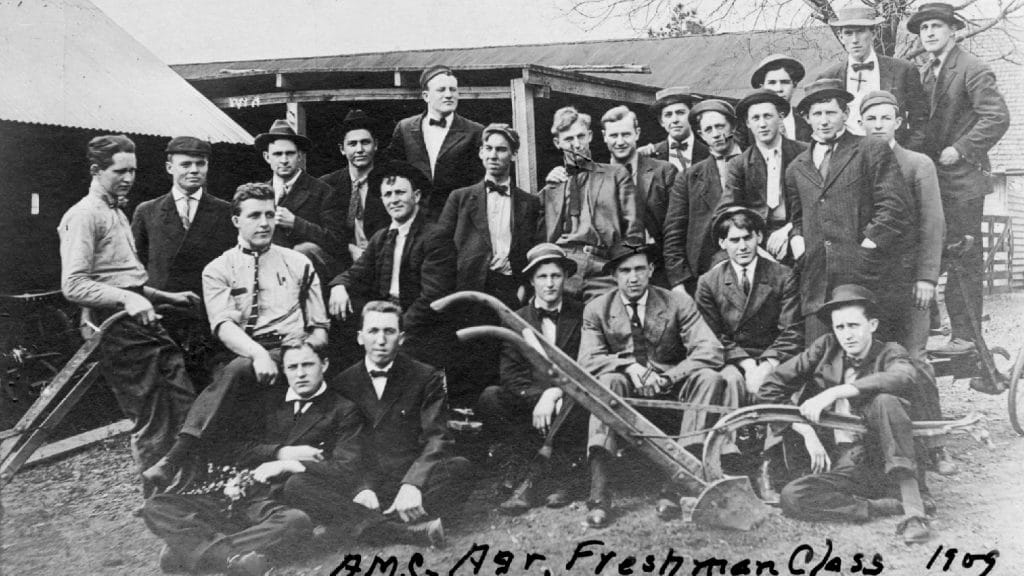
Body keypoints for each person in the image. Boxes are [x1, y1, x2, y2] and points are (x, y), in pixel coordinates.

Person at [143, 182, 330, 488]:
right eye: (255, 215)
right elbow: (223, 325)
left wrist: (305, 350)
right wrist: (257, 354)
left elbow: (320, 326)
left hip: (293, 347)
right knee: (236, 369)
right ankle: (202, 480)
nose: (265, 223)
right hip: (241, 351)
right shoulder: (218, 269)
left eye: (270, 215)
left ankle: (176, 457)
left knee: (238, 371)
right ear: (236, 221)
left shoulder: (299, 263)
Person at [142, 337, 363, 575]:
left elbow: (347, 469)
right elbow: (233, 448)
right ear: (284, 370)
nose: (300, 374)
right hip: (232, 495)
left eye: (307, 365)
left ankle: (192, 551)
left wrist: (291, 465)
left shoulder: (342, 409)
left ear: (325, 364)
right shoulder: (268, 401)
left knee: (296, 522)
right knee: (157, 505)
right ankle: (229, 558)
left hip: (272, 504)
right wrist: (279, 452)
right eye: (292, 367)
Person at [58, 135, 197, 495]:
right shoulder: (84, 216)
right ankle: (158, 501)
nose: (129, 178)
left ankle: (187, 490)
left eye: (133, 171)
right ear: (96, 170)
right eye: (120, 171)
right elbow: (74, 285)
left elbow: (125, 279)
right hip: (117, 329)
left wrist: (164, 295)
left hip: (141, 319)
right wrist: (127, 300)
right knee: (152, 415)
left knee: (183, 401)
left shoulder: (116, 211)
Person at [284, 301, 472, 547]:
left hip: (410, 478)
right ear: (360, 337)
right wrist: (361, 489)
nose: (381, 340)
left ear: (401, 337)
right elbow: (341, 451)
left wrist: (413, 484)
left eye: (389, 331)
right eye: (373, 331)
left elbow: (437, 437)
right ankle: (399, 529)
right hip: (363, 487)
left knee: (460, 468)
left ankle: (358, 525)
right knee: (297, 485)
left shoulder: (425, 376)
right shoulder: (343, 383)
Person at [759, 284, 934, 545]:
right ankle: (880, 506)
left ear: (872, 325)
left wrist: (839, 391)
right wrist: (804, 429)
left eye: (854, 325)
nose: (847, 335)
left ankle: (914, 511)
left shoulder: (890, 352)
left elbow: (904, 375)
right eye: (840, 327)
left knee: (885, 400)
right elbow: (771, 387)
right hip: (839, 461)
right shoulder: (826, 348)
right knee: (792, 497)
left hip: (882, 459)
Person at [579, 241, 733, 527]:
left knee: (710, 377)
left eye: (640, 269)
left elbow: (710, 350)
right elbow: (587, 361)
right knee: (608, 380)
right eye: (625, 271)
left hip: (669, 391)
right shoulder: (597, 309)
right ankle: (599, 494)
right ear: (614, 275)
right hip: (625, 393)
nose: (633, 277)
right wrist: (628, 365)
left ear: (651, 270)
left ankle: (674, 487)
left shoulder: (677, 302)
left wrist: (668, 377)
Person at [907, 2, 1010, 356]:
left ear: (954, 30)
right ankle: (936, 328)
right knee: (933, 251)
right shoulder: (923, 73)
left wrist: (962, 148)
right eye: (924, 29)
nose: (930, 33)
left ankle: (966, 339)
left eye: (937, 26)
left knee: (963, 257)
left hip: (963, 181)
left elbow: (997, 117)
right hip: (933, 180)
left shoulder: (972, 68)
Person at [785, 78, 911, 343]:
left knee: (869, 356)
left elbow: (894, 205)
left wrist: (867, 247)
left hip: (863, 275)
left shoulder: (870, 149)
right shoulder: (796, 167)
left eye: (831, 112)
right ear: (807, 118)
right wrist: (798, 242)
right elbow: (797, 217)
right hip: (817, 280)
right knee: (821, 361)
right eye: (817, 114)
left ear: (845, 114)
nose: (824, 120)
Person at [476, 244, 587, 514]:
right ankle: (527, 465)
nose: (550, 284)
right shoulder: (516, 320)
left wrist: (555, 394)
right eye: (542, 277)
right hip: (530, 404)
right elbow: (511, 376)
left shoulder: (582, 314)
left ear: (565, 277)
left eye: (556, 276)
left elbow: (585, 366)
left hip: (569, 398)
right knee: (491, 397)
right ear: (531, 280)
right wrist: (540, 398)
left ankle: (544, 479)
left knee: (580, 399)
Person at [328, 162, 456, 369]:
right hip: (386, 319)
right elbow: (357, 272)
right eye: (387, 194)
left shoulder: (434, 236)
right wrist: (338, 286)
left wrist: (395, 328)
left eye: (400, 193)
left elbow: (432, 297)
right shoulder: (381, 237)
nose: (393, 200)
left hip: (421, 325)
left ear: (416, 196)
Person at [132, 136, 236, 388]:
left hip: (208, 315)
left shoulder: (226, 211)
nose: (193, 170)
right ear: (170, 168)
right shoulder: (147, 211)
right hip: (163, 315)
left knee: (211, 385)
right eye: (185, 164)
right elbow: (135, 267)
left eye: (200, 164)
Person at [695, 206, 803, 396]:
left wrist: (766, 366)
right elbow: (711, 335)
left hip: (774, 357)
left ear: (759, 238)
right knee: (730, 383)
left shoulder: (784, 276)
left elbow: (791, 330)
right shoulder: (709, 282)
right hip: (733, 359)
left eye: (748, 238)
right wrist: (748, 365)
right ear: (722, 243)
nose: (742, 247)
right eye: (734, 240)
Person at [539, 106, 642, 301]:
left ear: (590, 136)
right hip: (562, 266)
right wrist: (548, 189)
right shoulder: (552, 186)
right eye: (569, 139)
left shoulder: (616, 175)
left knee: (610, 323)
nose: (576, 145)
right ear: (557, 143)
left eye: (580, 137)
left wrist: (621, 268)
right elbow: (538, 236)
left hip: (602, 265)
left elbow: (634, 230)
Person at [438, 123, 542, 309]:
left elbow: (534, 250)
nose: (493, 155)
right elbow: (440, 247)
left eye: (501, 150)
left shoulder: (529, 203)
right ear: (481, 152)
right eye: (489, 148)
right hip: (467, 289)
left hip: (510, 289)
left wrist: (522, 287)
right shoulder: (459, 197)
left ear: (514, 155)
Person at [816, 5, 929, 150]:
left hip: (892, 155)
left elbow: (920, 118)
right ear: (840, 37)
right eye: (848, 33)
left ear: (874, 33)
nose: (855, 40)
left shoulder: (903, 70)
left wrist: (906, 153)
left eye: (861, 31)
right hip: (847, 157)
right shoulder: (829, 77)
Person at [663, 99, 743, 295]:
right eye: (708, 129)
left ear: (732, 126)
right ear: (700, 135)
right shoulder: (689, 177)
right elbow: (674, 232)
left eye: (720, 126)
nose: (716, 134)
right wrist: (678, 283)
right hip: (705, 271)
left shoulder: (755, 163)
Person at [719, 89, 808, 264]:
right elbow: (728, 209)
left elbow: (815, 200)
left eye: (768, 116)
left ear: (781, 117)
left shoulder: (804, 153)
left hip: (799, 227)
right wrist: (756, 246)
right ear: (748, 123)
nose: (762, 124)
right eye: (756, 118)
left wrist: (790, 230)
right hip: (758, 235)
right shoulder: (739, 164)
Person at [386, 65, 485, 219]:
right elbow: (394, 173)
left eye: (453, 90)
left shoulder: (475, 131)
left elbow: (479, 182)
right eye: (441, 90)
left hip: (458, 218)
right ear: (426, 96)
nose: (449, 95)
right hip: (416, 218)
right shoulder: (405, 128)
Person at [256, 119, 345, 283]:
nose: (284, 160)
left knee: (304, 250)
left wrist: (296, 223)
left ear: (299, 156)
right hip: (266, 272)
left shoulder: (323, 191)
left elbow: (337, 242)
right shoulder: (258, 194)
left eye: (289, 153)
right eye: (277, 154)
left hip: (310, 276)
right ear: (267, 157)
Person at [601, 105, 678, 288]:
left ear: (637, 133)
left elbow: (676, 229)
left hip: (659, 270)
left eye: (626, 134)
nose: (620, 142)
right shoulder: (597, 177)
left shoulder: (664, 172)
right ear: (604, 136)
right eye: (613, 135)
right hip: (615, 274)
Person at [319, 109, 395, 270]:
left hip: (384, 258)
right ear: (342, 149)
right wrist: (349, 249)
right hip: (343, 259)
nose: (359, 149)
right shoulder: (328, 184)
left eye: (365, 142)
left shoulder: (392, 182)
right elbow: (323, 233)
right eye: (352, 144)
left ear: (375, 145)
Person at [638, 86, 709, 172]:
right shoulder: (650, 155)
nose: (675, 120)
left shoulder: (709, 154)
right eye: (668, 115)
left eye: (680, 113)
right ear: (661, 121)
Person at [750, 54, 812, 142]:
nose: (779, 89)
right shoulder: (749, 126)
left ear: (794, 86)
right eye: (772, 83)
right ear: (762, 87)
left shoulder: (808, 121)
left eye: (785, 82)